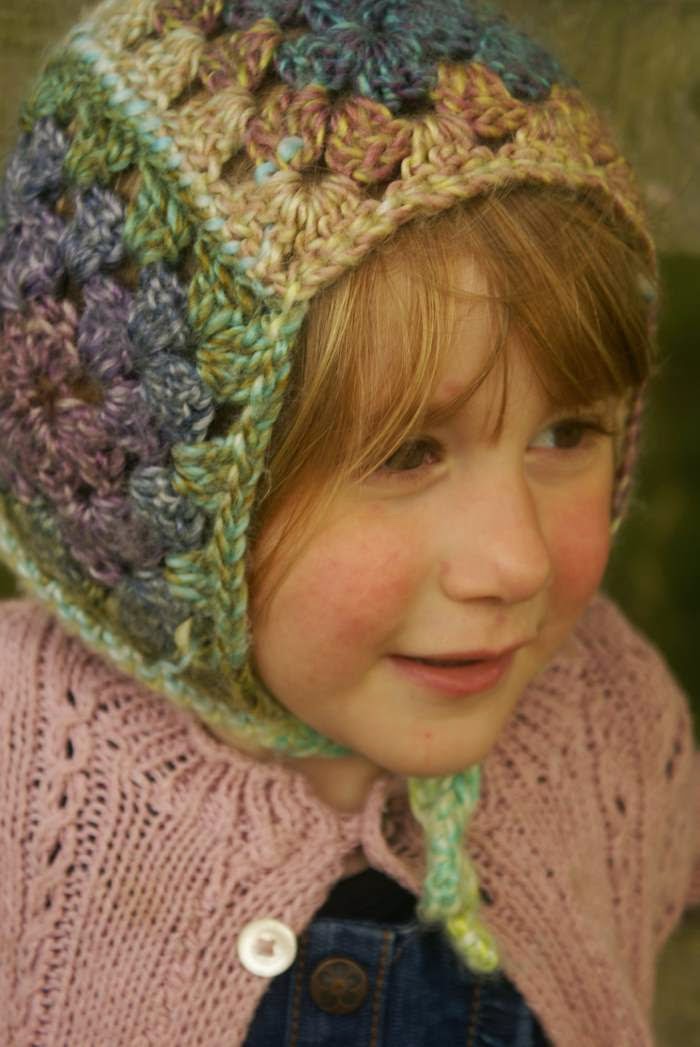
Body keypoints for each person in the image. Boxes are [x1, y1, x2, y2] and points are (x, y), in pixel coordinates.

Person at [0, 1, 697, 1044]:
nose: (514, 562)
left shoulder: (610, 714)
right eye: (408, 453)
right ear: (157, 473)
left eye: (566, 434)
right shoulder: (19, 760)